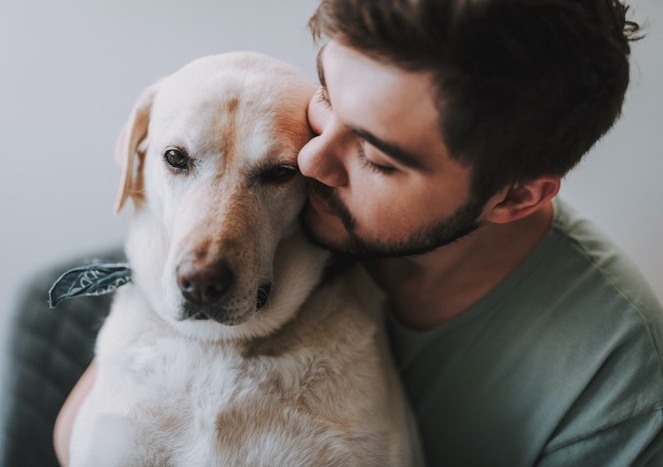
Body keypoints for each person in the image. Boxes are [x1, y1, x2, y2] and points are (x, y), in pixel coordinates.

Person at [55, 0, 663, 465]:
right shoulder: (287, 228)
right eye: (326, 95)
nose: (312, 159)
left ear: (513, 196)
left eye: (376, 156)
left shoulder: (615, 375)